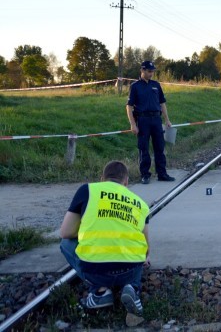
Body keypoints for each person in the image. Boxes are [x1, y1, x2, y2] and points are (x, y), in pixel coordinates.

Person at [60, 161, 149, 315]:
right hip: (129, 270)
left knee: (65, 244)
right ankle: (132, 287)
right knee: (138, 253)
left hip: (96, 271)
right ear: (126, 182)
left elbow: (65, 232)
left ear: (102, 179)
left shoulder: (87, 190)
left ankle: (100, 291)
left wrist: (89, 230)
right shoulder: (141, 204)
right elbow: (146, 248)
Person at [126, 60, 175, 184]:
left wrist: (167, 120)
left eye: (152, 71)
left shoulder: (156, 85)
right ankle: (145, 175)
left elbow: (162, 103)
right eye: (149, 71)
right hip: (143, 120)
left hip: (156, 119)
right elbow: (129, 106)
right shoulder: (135, 86)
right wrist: (132, 124)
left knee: (160, 147)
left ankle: (162, 173)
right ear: (142, 70)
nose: (151, 73)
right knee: (144, 148)